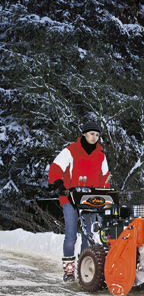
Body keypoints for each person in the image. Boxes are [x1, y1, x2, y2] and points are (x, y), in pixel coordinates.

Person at [48, 121, 110, 282]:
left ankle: (84, 269)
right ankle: (68, 270)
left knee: (88, 236)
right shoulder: (70, 151)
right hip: (71, 198)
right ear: (84, 134)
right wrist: (58, 183)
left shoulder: (101, 155)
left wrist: (105, 196)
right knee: (71, 235)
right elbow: (55, 169)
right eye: (91, 134)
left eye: (97, 135)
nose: (94, 137)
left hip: (91, 200)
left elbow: (105, 178)